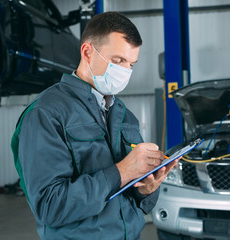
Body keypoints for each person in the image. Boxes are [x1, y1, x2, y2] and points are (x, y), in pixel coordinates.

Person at [11, 12, 178, 239]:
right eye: (118, 61)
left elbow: (135, 201)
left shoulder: (124, 115)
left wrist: (148, 190)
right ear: (87, 52)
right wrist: (122, 171)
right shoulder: (46, 113)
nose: (125, 71)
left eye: (131, 64)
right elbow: (50, 206)